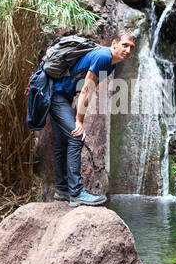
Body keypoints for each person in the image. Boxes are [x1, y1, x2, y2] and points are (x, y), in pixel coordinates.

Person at [51, 30, 136, 207]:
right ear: (114, 44)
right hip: (55, 96)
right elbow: (86, 90)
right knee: (76, 135)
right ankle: (76, 193)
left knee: (61, 143)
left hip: (61, 95)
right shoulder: (104, 56)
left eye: (131, 47)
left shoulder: (112, 63)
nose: (128, 50)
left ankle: (62, 189)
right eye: (124, 45)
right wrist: (79, 120)